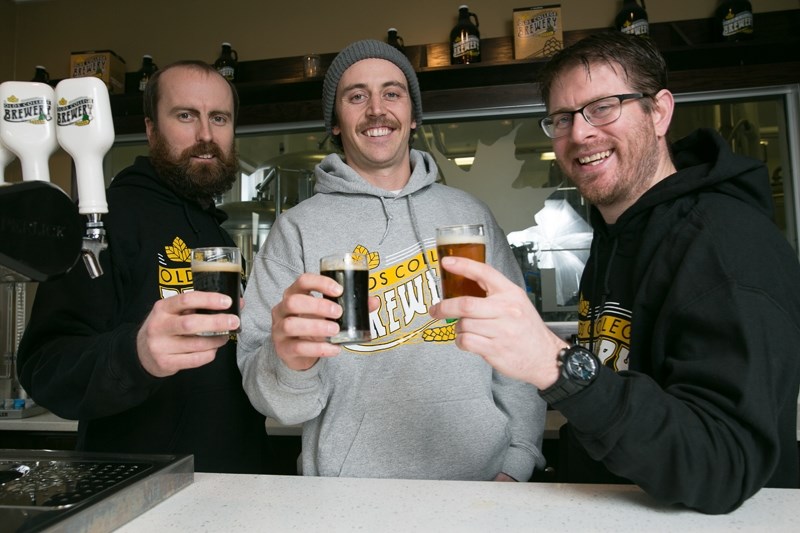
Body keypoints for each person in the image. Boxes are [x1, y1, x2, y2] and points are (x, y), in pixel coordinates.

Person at [430, 31, 800, 513]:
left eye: (603, 107)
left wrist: (556, 365)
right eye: (562, 118)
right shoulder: (615, 235)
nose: (580, 134)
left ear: (659, 111)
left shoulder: (725, 243)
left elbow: (723, 463)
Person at [237, 40, 546, 481]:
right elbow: (275, 401)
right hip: (349, 497)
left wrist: (517, 462)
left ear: (413, 116)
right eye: (357, 96)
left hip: (483, 487)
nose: (376, 109)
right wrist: (288, 362)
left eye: (393, 93)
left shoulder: (469, 217)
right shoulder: (296, 229)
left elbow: (519, 346)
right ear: (337, 123)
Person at [17, 60, 270, 474]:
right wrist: (135, 354)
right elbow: (44, 368)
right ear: (152, 129)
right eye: (185, 115)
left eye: (219, 118)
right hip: (141, 491)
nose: (206, 135)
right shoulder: (102, 222)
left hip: (235, 485)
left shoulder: (218, 237)